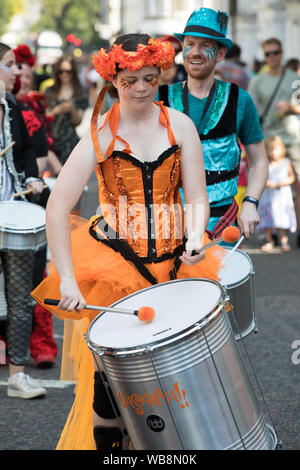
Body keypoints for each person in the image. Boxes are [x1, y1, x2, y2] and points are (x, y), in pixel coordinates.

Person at [32, 33, 227, 450]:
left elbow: (195, 197)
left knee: (178, 381)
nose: (140, 88)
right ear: (113, 80)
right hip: (115, 270)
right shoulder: (100, 136)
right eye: (130, 80)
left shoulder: (180, 126)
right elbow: (57, 207)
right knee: (114, 386)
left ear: (159, 76)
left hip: (176, 264)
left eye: (149, 79)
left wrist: (195, 234)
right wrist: (67, 280)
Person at [158, 7, 268, 242]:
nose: (194, 52)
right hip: (168, 225)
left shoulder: (241, 100)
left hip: (222, 227)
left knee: (221, 280)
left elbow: (259, 160)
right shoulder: (159, 99)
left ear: (220, 54)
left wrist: (250, 202)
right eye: (190, 44)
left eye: (205, 46)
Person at [0, 42, 46, 397]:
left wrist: (32, 178)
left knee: (19, 298)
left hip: (13, 213)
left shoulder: (14, 107)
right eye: (8, 65)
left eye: (16, 65)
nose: (16, 72)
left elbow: (28, 149)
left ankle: (17, 374)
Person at [13, 44, 58, 368]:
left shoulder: (28, 115)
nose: (20, 78)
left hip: (28, 199)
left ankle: (42, 343)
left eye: (26, 73)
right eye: (15, 71)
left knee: (33, 273)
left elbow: (38, 157)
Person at [248, 38, 300, 246]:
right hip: (268, 138)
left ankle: (297, 230)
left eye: (276, 52)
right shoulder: (257, 81)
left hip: (292, 137)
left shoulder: (293, 79)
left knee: (297, 184)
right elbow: (251, 110)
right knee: (263, 185)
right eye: (268, 54)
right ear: (264, 56)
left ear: (282, 53)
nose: (272, 57)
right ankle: (268, 229)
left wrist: (290, 107)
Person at [45, 54, 89, 167]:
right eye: (61, 71)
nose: (64, 74)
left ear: (73, 72)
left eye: (68, 71)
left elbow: (78, 122)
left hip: (70, 142)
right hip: (51, 142)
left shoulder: (80, 92)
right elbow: (43, 117)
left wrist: (72, 109)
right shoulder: (49, 91)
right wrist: (54, 111)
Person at [258, 135, 296, 252]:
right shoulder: (266, 164)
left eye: (276, 149)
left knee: (281, 219)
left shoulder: (286, 162)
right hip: (269, 197)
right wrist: (267, 182)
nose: (274, 152)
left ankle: (284, 241)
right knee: (268, 220)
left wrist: (281, 183)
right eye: (271, 149)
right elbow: (261, 178)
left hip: (281, 197)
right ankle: (269, 241)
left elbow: (292, 178)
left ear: (282, 149)